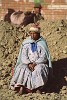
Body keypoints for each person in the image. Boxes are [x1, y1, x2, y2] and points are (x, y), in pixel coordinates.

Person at [10, 25, 52, 95]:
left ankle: (38, 88)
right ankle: (22, 88)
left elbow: (44, 56)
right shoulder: (26, 43)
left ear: (38, 34)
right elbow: (23, 55)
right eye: (31, 33)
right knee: (22, 68)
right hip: (27, 63)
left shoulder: (42, 43)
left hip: (39, 63)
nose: (32, 35)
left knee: (40, 69)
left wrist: (35, 63)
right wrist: (29, 63)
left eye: (34, 33)